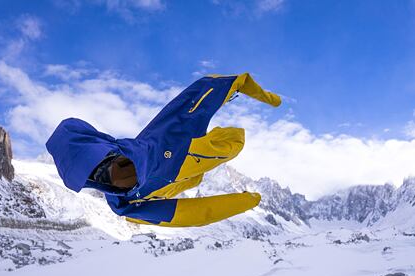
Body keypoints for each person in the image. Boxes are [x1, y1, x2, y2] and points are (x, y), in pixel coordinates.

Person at [46, 73, 281, 227]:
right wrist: (246, 202)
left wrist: (268, 98)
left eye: (117, 167)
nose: (119, 179)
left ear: (112, 150)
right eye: (101, 180)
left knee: (234, 143)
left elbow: (223, 83)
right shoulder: (123, 205)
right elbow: (194, 214)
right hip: (185, 176)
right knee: (224, 153)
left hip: (193, 152)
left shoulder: (170, 130)